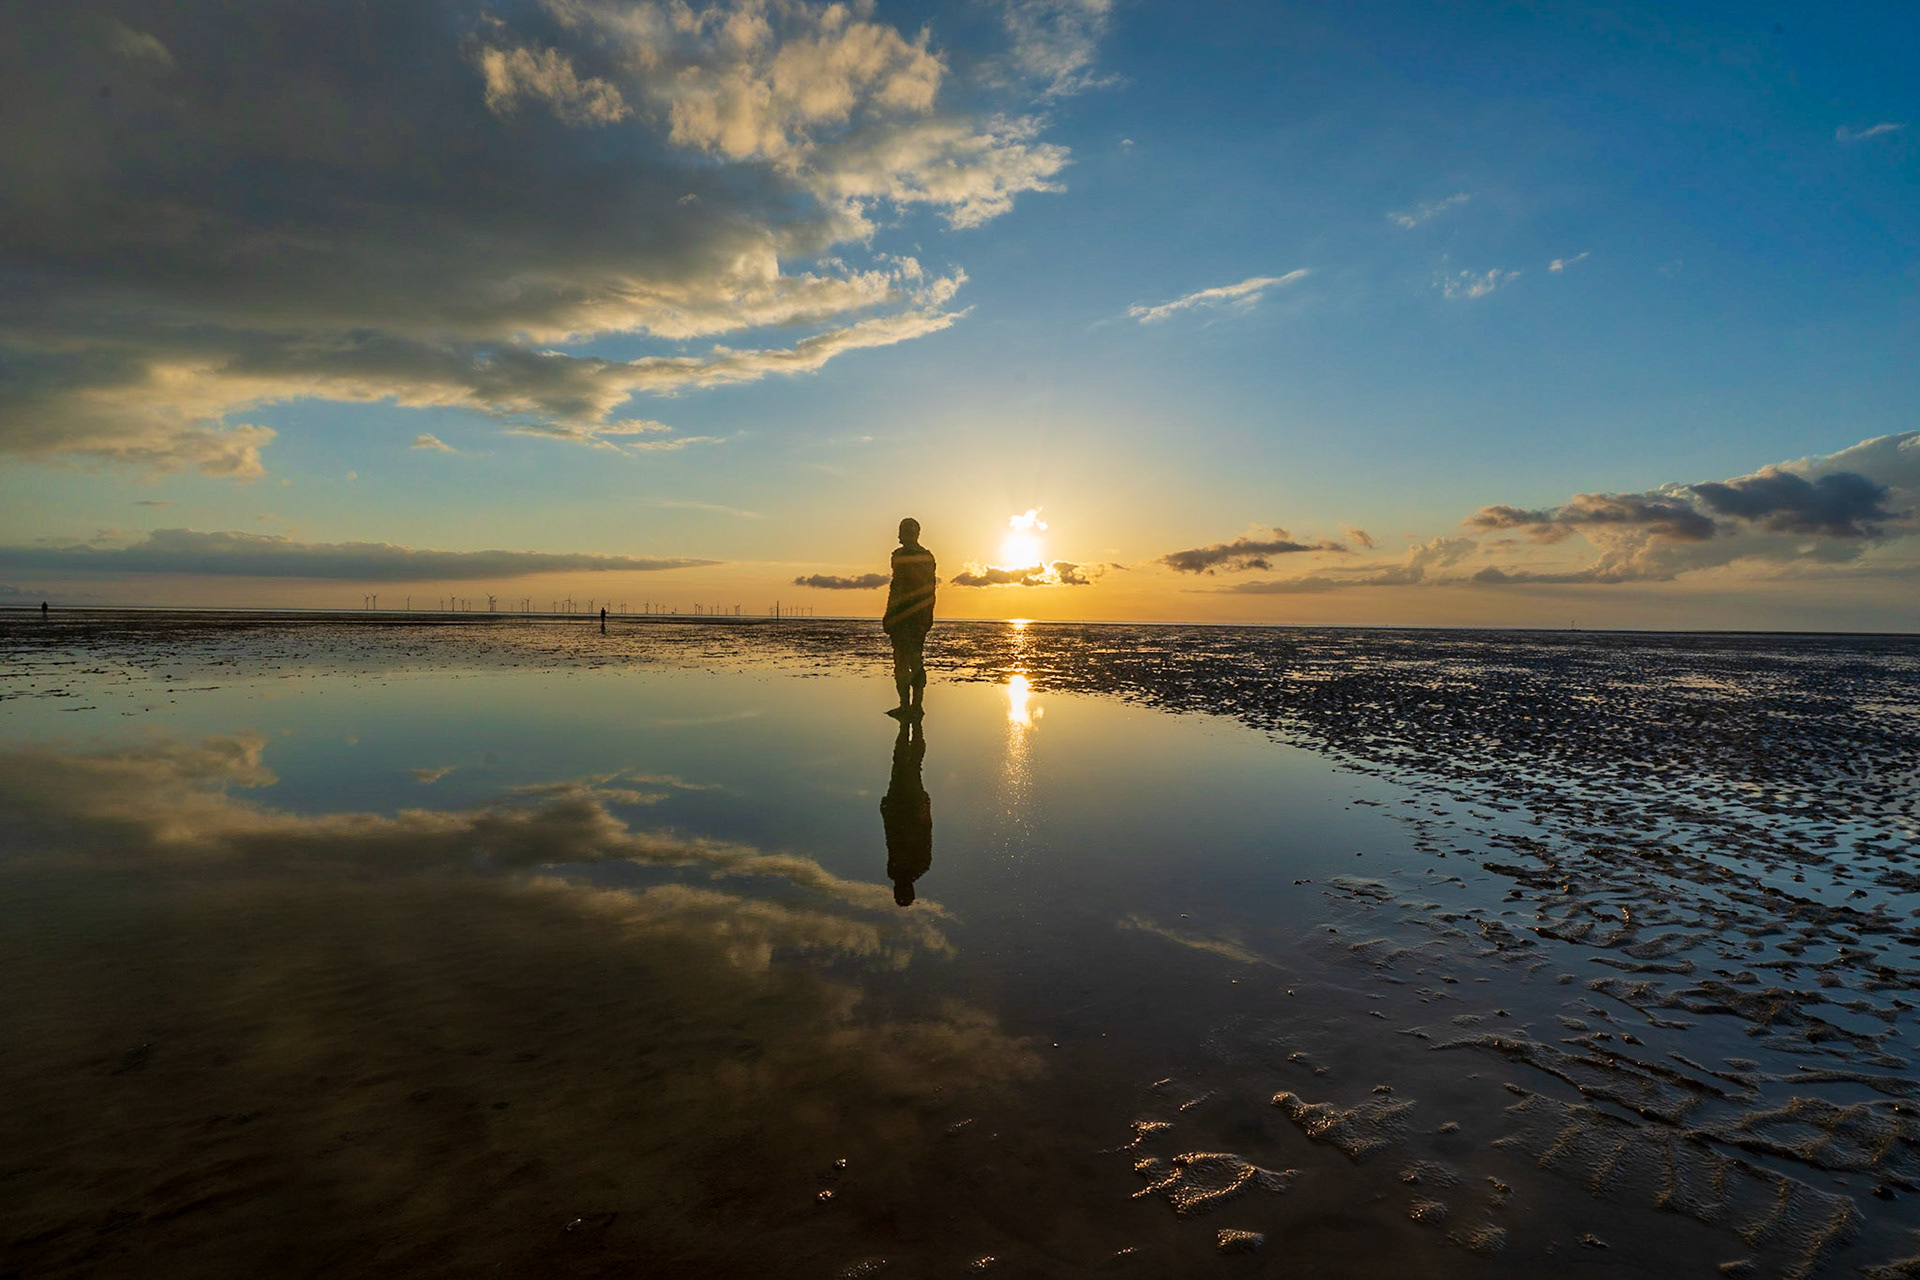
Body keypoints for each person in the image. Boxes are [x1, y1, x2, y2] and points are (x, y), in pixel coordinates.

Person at [882, 517, 936, 714]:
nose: (904, 534)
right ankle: (912, 706)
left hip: (907, 617)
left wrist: (889, 616)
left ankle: (910, 706)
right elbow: (930, 590)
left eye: (907, 530)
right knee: (913, 658)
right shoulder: (926, 557)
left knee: (905, 661)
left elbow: (898, 588)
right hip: (918, 616)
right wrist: (928, 615)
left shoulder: (903, 555)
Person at [880, 714, 932, 906]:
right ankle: (914, 725)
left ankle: (909, 726)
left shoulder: (905, 870)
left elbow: (891, 839)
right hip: (906, 806)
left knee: (905, 765)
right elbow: (925, 833)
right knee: (910, 765)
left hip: (901, 805)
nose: (897, 888)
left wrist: (886, 811)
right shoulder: (917, 867)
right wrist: (924, 806)